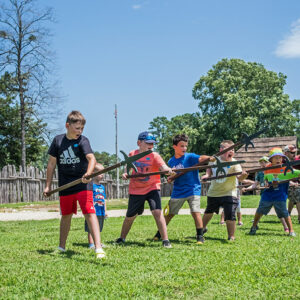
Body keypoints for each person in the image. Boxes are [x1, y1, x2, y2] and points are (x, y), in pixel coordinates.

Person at [43, 111, 106, 259]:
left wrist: (88, 174)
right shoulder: (58, 141)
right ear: (67, 125)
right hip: (65, 185)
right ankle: (61, 247)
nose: (80, 131)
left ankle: (98, 248)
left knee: (90, 213)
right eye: (77, 128)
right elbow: (51, 164)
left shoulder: (83, 141)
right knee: (65, 215)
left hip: (83, 184)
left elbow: (91, 159)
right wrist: (47, 186)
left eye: (82, 129)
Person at [152, 134, 214, 244]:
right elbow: (170, 176)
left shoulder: (190, 157)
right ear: (174, 146)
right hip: (178, 191)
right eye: (181, 146)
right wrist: (170, 178)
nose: (184, 148)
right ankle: (160, 233)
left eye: (185, 146)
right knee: (170, 214)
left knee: (195, 212)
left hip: (193, 188)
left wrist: (209, 158)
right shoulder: (171, 161)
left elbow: (201, 158)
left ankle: (200, 236)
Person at [115, 131, 174, 248]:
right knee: (130, 216)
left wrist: (168, 170)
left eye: (152, 144)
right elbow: (127, 168)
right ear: (139, 143)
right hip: (136, 190)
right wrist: (125, 173)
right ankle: (122, 238)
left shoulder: (154, 155)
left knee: (157, 212)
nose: (151, 146)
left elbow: (163, 167)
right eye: (148, 143)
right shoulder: (132, 154)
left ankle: (165, 240)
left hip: (152, 187)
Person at [201, 140, 248, 241]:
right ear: (221, 150)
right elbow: (209, 170)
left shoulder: (235, 163)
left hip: (229, 192)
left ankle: (231, 236)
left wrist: (243, 176)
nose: (231, 151)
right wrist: (206, 176)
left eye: (233, 150)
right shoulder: (213, 160)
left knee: (230, 213)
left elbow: (239, 178)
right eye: (228, 149)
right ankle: (202, 229)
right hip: (214, 192)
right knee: (209, 212)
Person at [249, 147, 300, 236]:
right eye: (276, 158)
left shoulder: (286, 168)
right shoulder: (267, 168)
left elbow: (297, 172)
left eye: (280, 157)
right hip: (268, 194)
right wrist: (266, 184)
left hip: (280, 195)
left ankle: (291, 230)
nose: (278, 159)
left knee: (284, 212)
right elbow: (266, 180)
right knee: (260, 210)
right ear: (271, 159)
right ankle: (254, 226)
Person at [243, 156, 289, 232]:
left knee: (280, 211)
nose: (263, 164)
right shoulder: (260, 173)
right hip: (265, 194)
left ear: (269, 162)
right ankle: (254, 226)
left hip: (277, 193)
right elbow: (255, 184)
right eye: (261, 162)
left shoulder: (275, 170)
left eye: (264, 162)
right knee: (260, 211)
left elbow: (284, 179)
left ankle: (286, 227)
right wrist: (247, 188)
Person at [84, 163, 108, 249]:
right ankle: (91, 244)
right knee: (91, 228)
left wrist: (105, 210)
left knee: (98, 228)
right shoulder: (90, 185)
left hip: (101, 211)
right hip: (93, 211)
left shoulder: (102, 187)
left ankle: (97, 242)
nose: (102, 175)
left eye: (103, 173)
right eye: (100, 173)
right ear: (93, 172)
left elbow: (103, 199)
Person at [283, 145, 300, 224]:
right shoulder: (281, 161)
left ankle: (288, 213)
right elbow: (281, 176)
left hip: (297, 184)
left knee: (295, 196)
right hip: (286, 184)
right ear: (286, 153)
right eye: (292, 152)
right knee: (297, 194)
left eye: (295, 152)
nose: (295, 154)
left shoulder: (298, 159)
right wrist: (290, 182)